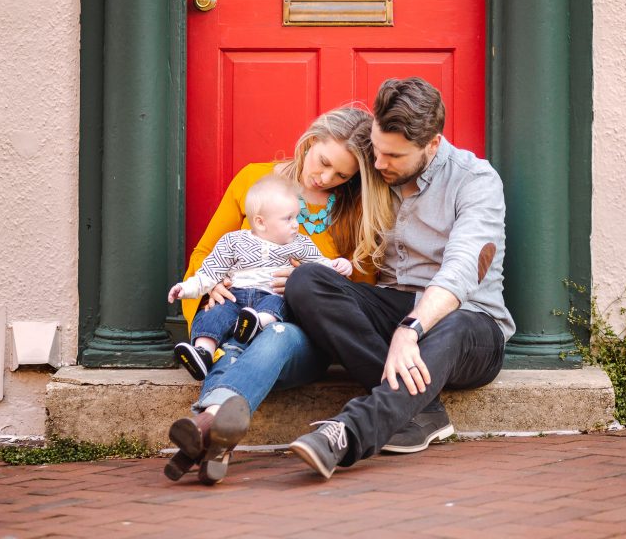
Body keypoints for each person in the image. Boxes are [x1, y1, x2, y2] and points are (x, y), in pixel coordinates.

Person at [285, 77, 516, 479]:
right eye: (376, 149)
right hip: (393, 305)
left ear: (433, 144)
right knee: (307, 281)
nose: (377, 165)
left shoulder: (475, 181)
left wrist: (411, 329)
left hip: (469, 327)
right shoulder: (373, 172)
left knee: (456, 323)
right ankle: (422, 410)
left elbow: (463, 269)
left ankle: (347, 433)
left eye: (393, 156)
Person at [165, 105, 391, 485]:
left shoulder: (352, 211)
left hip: (301, 339)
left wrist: (311, 282)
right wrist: (213, 282)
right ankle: (215, 437)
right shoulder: (254, 181)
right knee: (236, 344)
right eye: (323, 162)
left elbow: (360, 294)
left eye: (341, 175)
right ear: (311, 139)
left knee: (275, 333)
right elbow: (207, 253)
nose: (325, 178)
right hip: (234, 317)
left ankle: (204, 422)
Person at [169, 174, 352, 379]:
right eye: (288, 218)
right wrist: (186, 289)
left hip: (271, 294)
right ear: (261, 222)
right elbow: (210, 272)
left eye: (297, 217)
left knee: (280, 304)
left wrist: (339, 265)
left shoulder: (300, 243)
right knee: (214, 313)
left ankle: (258, 323)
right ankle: (203, 353)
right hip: (234, 296)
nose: (295, 224)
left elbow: (321, 266)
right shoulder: (234, 242)